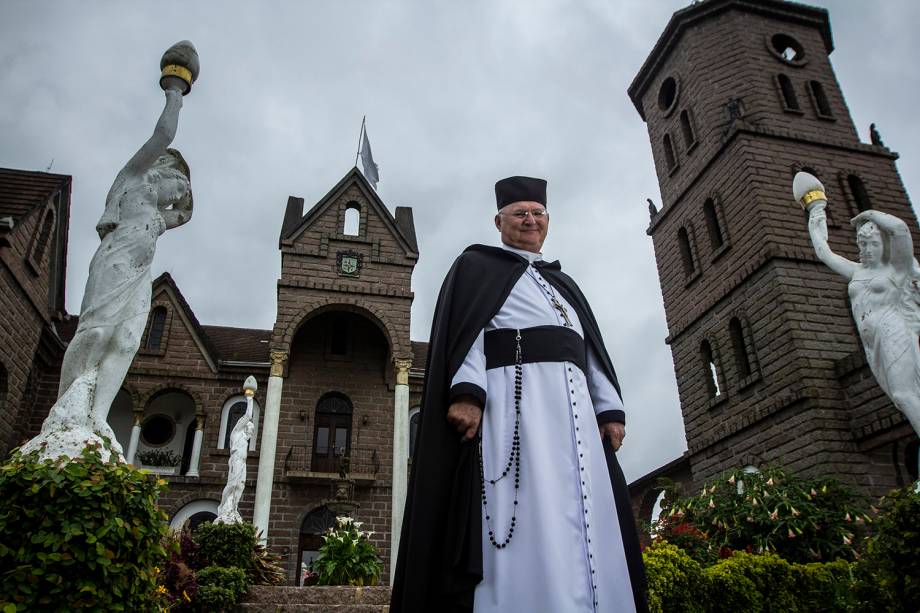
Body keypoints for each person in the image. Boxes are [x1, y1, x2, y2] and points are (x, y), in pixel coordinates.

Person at [392, 176, 647, 613]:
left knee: (588, 516)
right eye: (520, 214)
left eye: (538, 213)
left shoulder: (563, 283)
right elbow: (468, 334)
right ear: (499, 221)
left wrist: (608, 409)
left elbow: (588, 351)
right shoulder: (477, 268)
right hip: (518, 419)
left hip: (578, 428)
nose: (531, 220)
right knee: (531, 514)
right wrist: (467, 394)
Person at [55, 86, 193, 453]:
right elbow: (163, 135)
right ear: (162, 169)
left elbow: (186, 213)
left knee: (126, 341)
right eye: (179, 186)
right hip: (115, 261)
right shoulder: (133, 179)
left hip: (140, 274)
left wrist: (184, 190)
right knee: (97, 333)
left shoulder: (158, 218)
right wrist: (176, 91)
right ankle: (65, 409)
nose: (178, 197)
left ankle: (97, 417)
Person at [803, 175, 920, 437]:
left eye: (873, 244)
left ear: (885, 245)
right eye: (862, 244)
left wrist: (869, 214)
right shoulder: (856, 272)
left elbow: (900, 229)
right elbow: (824, 252)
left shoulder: (896, 269)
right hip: (871, 341)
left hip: (894, 330)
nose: (866, 249)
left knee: (905, 393)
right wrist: (816, 211)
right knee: (900, 399)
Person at [216, 410, 255, 524]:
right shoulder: (237, 433)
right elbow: (247, 415)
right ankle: (222, 507)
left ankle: (233, 508)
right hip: (236, 461)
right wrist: (249, 398)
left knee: (240, 486)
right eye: (251, 430)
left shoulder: (245, 439)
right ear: (245, 427)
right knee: (232, 484)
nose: (251, 434)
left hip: (242, 463)